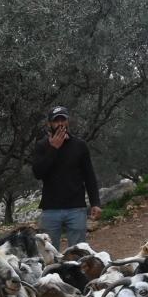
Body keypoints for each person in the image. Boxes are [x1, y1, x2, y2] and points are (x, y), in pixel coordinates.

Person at [30, 106, 102, 250]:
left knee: (78, 253)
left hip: (76, 208)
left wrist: (95, 202)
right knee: (49, 253)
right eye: (56, 120)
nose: (60, 123)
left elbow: (89, 175)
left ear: (68, 122)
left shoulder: (80, 145)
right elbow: (38, 173)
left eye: (63, 119)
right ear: (49, 124)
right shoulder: (42, 146)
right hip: (50, 209)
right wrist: (53, 149)